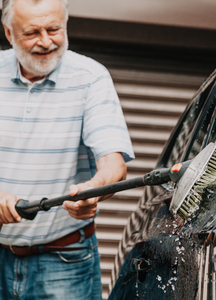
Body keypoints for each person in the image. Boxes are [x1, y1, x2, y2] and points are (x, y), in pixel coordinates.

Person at [0, 0, 134, 299]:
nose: (46, 41)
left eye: (54, 29)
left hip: (64, 259)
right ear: (9, 33)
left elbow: (114, 165)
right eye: (32, 32)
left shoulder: (91, 77)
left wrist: (92, 190)